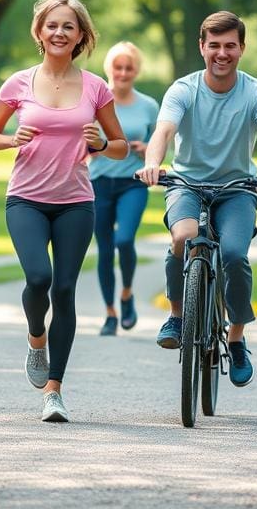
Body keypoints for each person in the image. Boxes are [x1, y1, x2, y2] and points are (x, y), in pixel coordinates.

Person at [0, 0, 128, 423]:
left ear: (81, 35)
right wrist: (11, 140)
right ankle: (36, 338)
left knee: (64, 289)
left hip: (75, 202)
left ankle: (54, 391)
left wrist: (100, 143)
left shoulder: (96, 87)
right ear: (39, 32)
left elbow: (118, 146)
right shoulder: (18, 83)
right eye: (52, 25)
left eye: (69, 25)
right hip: (25, 197)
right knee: (39, 277)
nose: (59, 32)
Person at [138, 10, 257, 388]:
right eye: (214, 45)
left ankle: (236, 338)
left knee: (235, 254)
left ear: (242, 49)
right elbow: (164, 130)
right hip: (186, 183)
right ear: (202, 47)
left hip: (238, 188)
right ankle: (176, 314)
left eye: (230, 46)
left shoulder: (256, 91)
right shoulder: (184, 89)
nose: (222, 53)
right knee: (183, 237)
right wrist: (153, 164)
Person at [89, 42, 159, 337]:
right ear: (109, 69)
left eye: (129, 67)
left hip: (133, 183)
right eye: (118, 67)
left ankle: (127, 293)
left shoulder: (149, 106)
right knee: (104, 250)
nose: (123, 72)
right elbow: (82, 143)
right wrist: (91, 146)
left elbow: (159, 148)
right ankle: (109, 313)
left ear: (136, 71)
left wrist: (147, 150)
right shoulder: (94, 101)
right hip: (98, 183)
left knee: (124, 240)